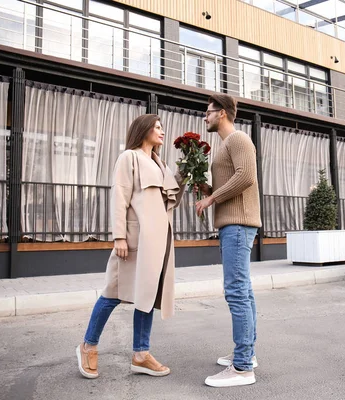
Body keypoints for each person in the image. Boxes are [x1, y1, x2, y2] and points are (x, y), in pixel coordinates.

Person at [76, 114, 184, 379]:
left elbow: (169, 201)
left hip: (157, 242)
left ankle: (140, 355)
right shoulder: (129, 157)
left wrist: (186, 175)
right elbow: (119, 197)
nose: (161, 131)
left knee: (146, 296)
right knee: (113, 293)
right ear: (143, 130)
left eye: (161, 127)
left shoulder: (159, 163)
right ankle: (88, 346)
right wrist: (119, 237)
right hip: (134, 240)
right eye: (156, 127)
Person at [195, 94, 262, 388]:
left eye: (208, 112)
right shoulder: (225, 146)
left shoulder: (238, 139)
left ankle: (243, 367)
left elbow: (246, 176)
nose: (204, 117)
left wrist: (211, 197)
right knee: (243, 291)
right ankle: (246, 353)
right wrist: (207, 186)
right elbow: (230, 182)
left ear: (221, 113)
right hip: (233, 224)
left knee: (236, 291)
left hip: (238, 224)